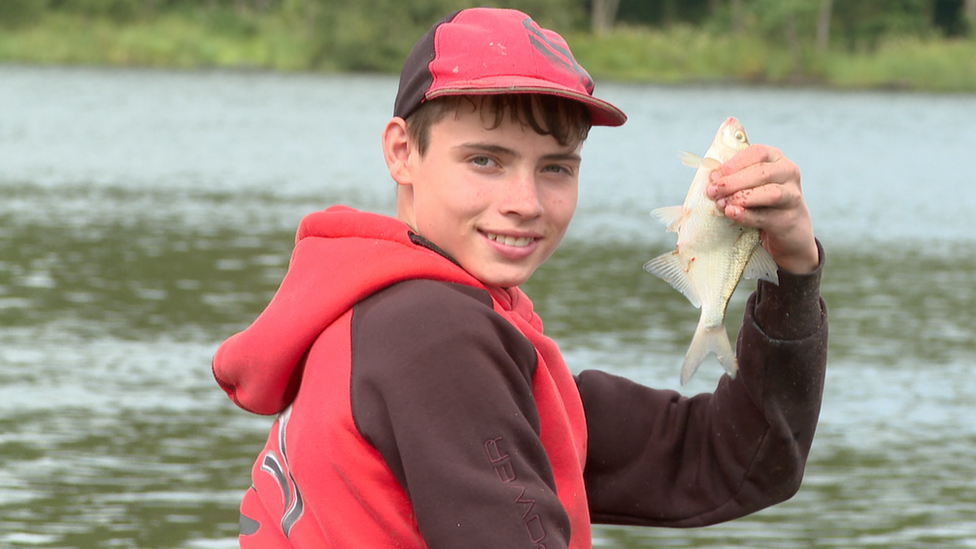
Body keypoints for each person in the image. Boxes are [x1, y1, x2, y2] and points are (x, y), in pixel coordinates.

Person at [212, 7, 827, 549]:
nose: (526, 201)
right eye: (486, 160)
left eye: (556, 168)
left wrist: (792, 270)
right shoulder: (431, 336)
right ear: (402, 152)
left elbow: (742, 460)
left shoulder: (407, 316)